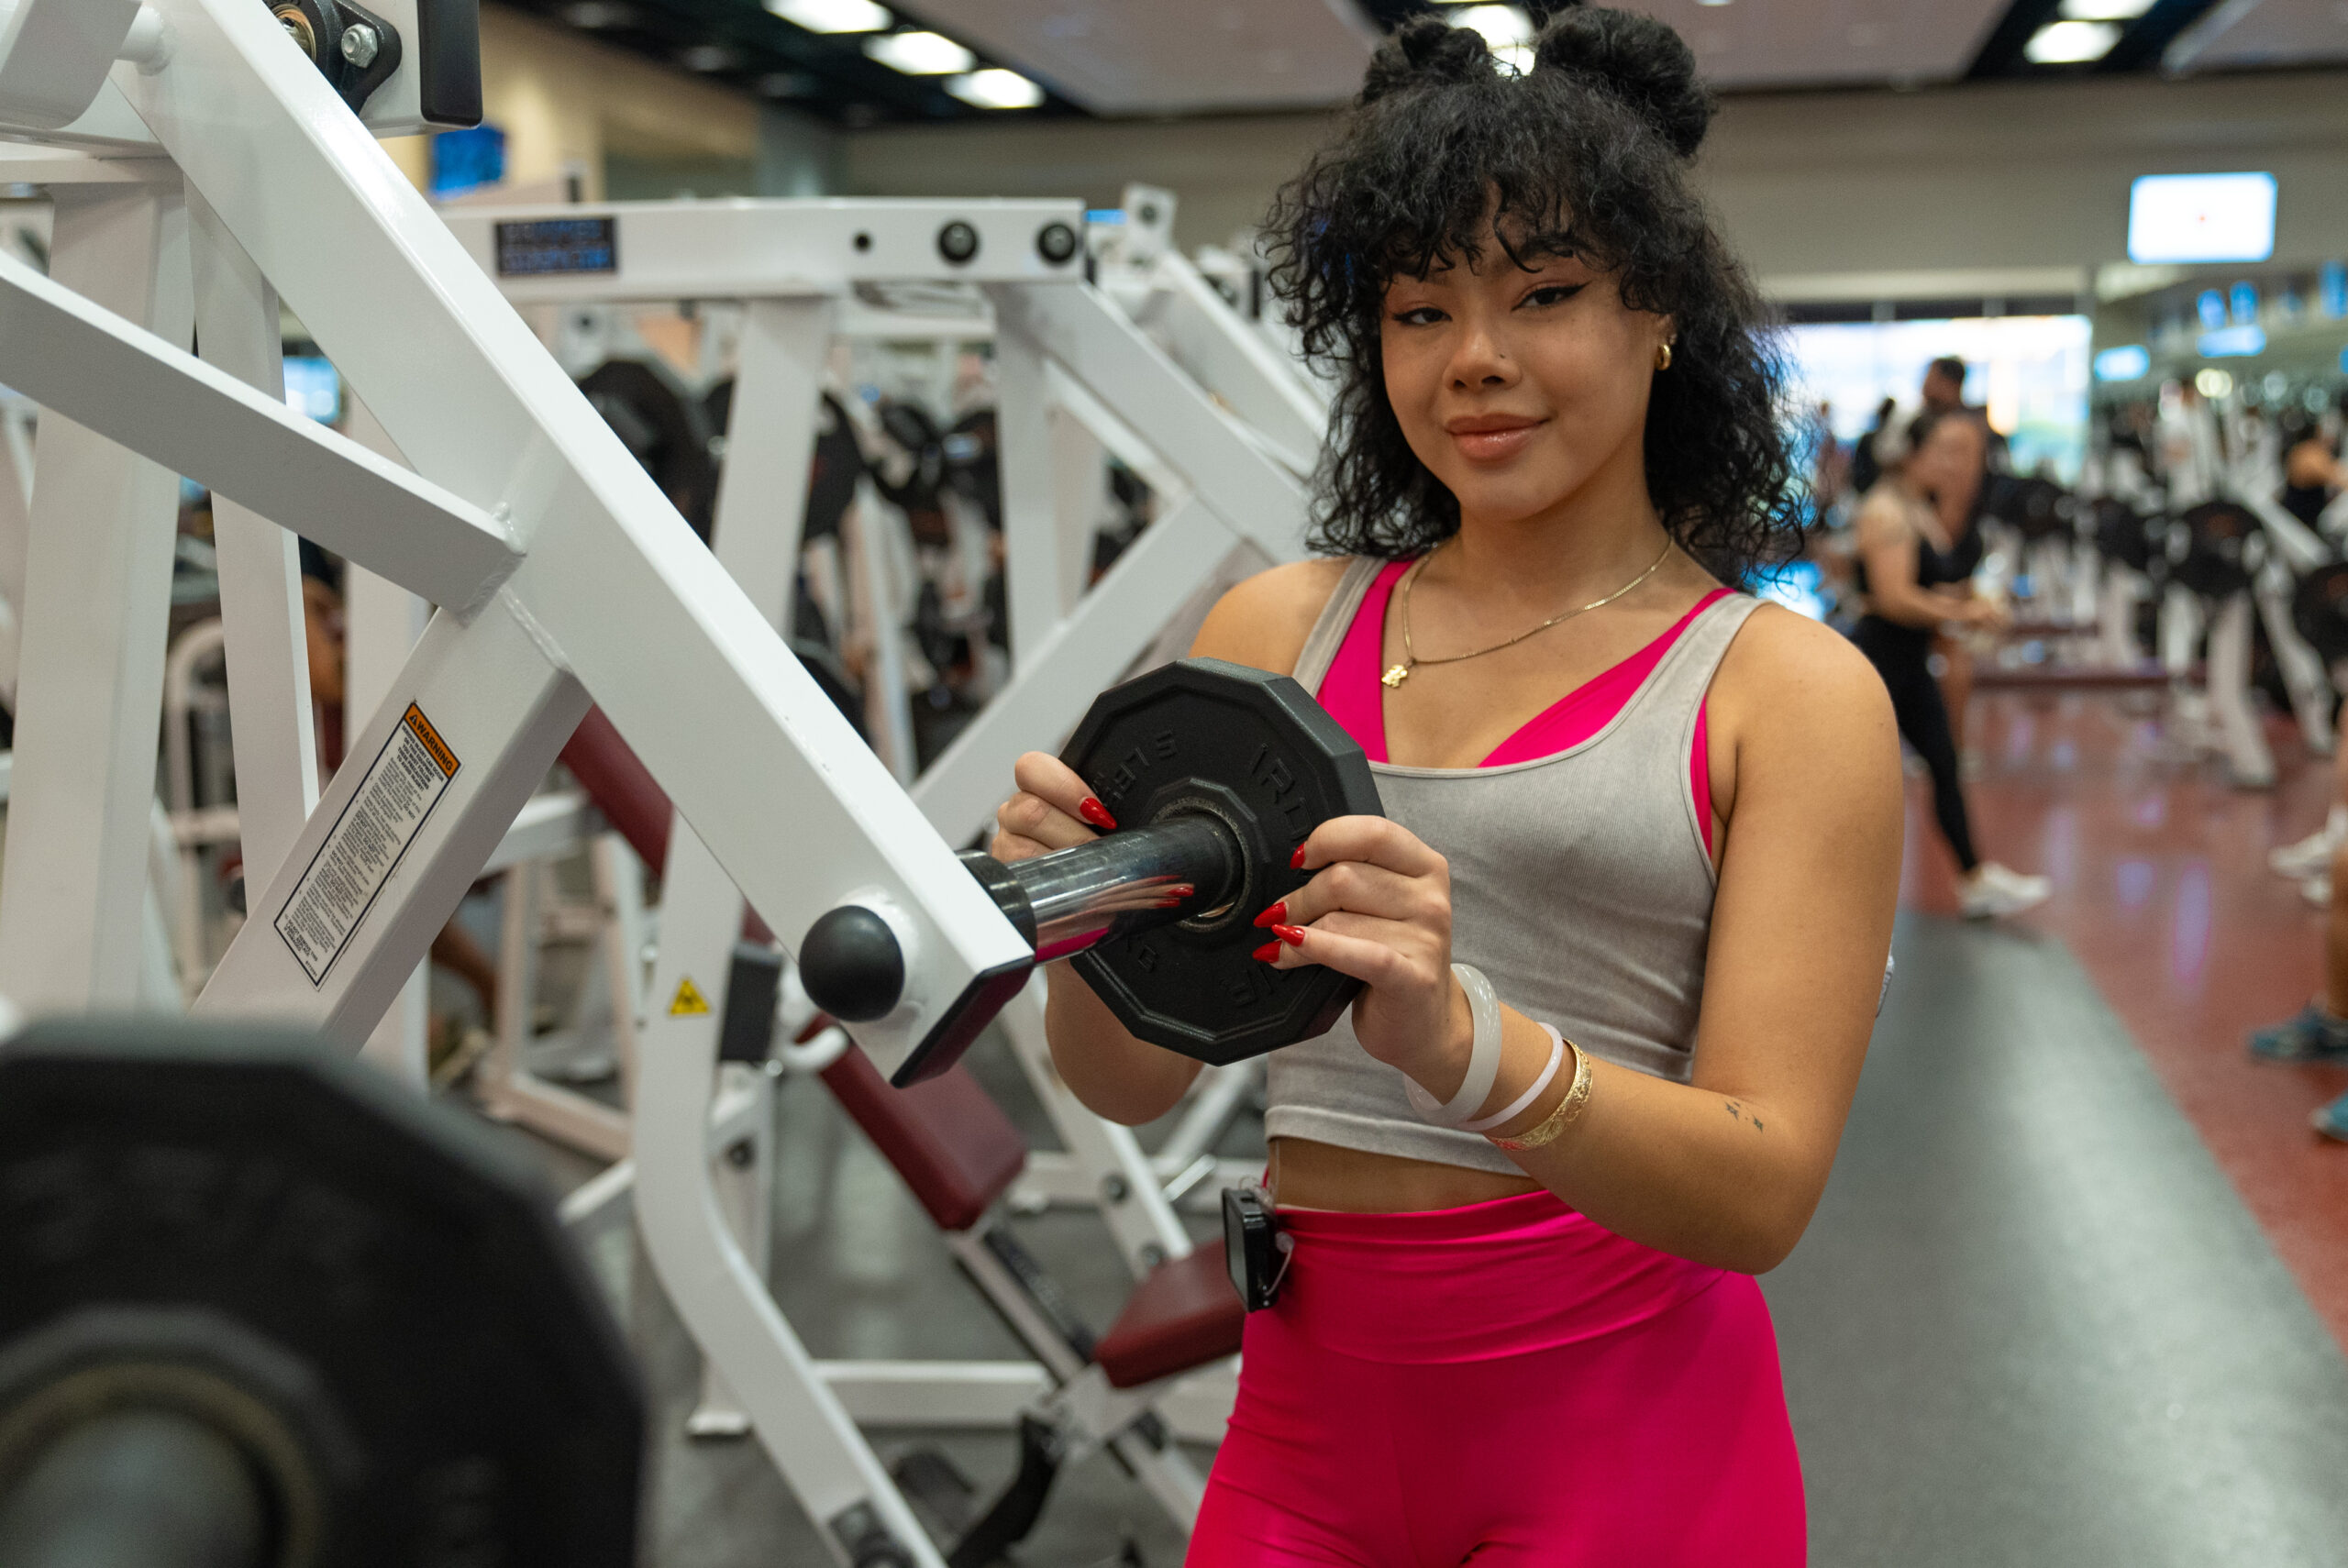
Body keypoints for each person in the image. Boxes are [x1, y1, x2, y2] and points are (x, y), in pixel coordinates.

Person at [991, 13, 1899, 1563]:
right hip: (1308, 1416)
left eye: (1543, 296)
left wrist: (1463, 1041)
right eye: (1421, 312)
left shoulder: (1786, 693)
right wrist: (1089, 908)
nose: (1475, 358)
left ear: (1660, 311)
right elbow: (1129, 1082)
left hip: (1624, 1430)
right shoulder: (1279, 629)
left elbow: (1761, 1192)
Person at [1851, 411, 2050, 919]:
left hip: (1908, 660)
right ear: (1912, 455)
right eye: (1941, 451)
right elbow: (1894, 597)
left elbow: (1928, 583)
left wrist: (1972, 600)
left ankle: (1973, 876)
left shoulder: (1917, 507)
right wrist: (1964, 611)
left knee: (1943, 762)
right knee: (1864, 778)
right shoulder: (1887, 511)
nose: (1951, 464)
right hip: (1879, 660)